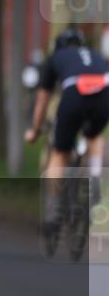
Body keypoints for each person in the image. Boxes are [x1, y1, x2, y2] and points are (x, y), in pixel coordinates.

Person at [25, 26, 108, 213]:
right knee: (94, 135)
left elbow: (42, 100)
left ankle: (53, 209)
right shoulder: (95, 54)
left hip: (75, 93)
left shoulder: (55, 57)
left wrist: (35, 130)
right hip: (104, 93)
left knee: (60, 153)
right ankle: (94, 179)